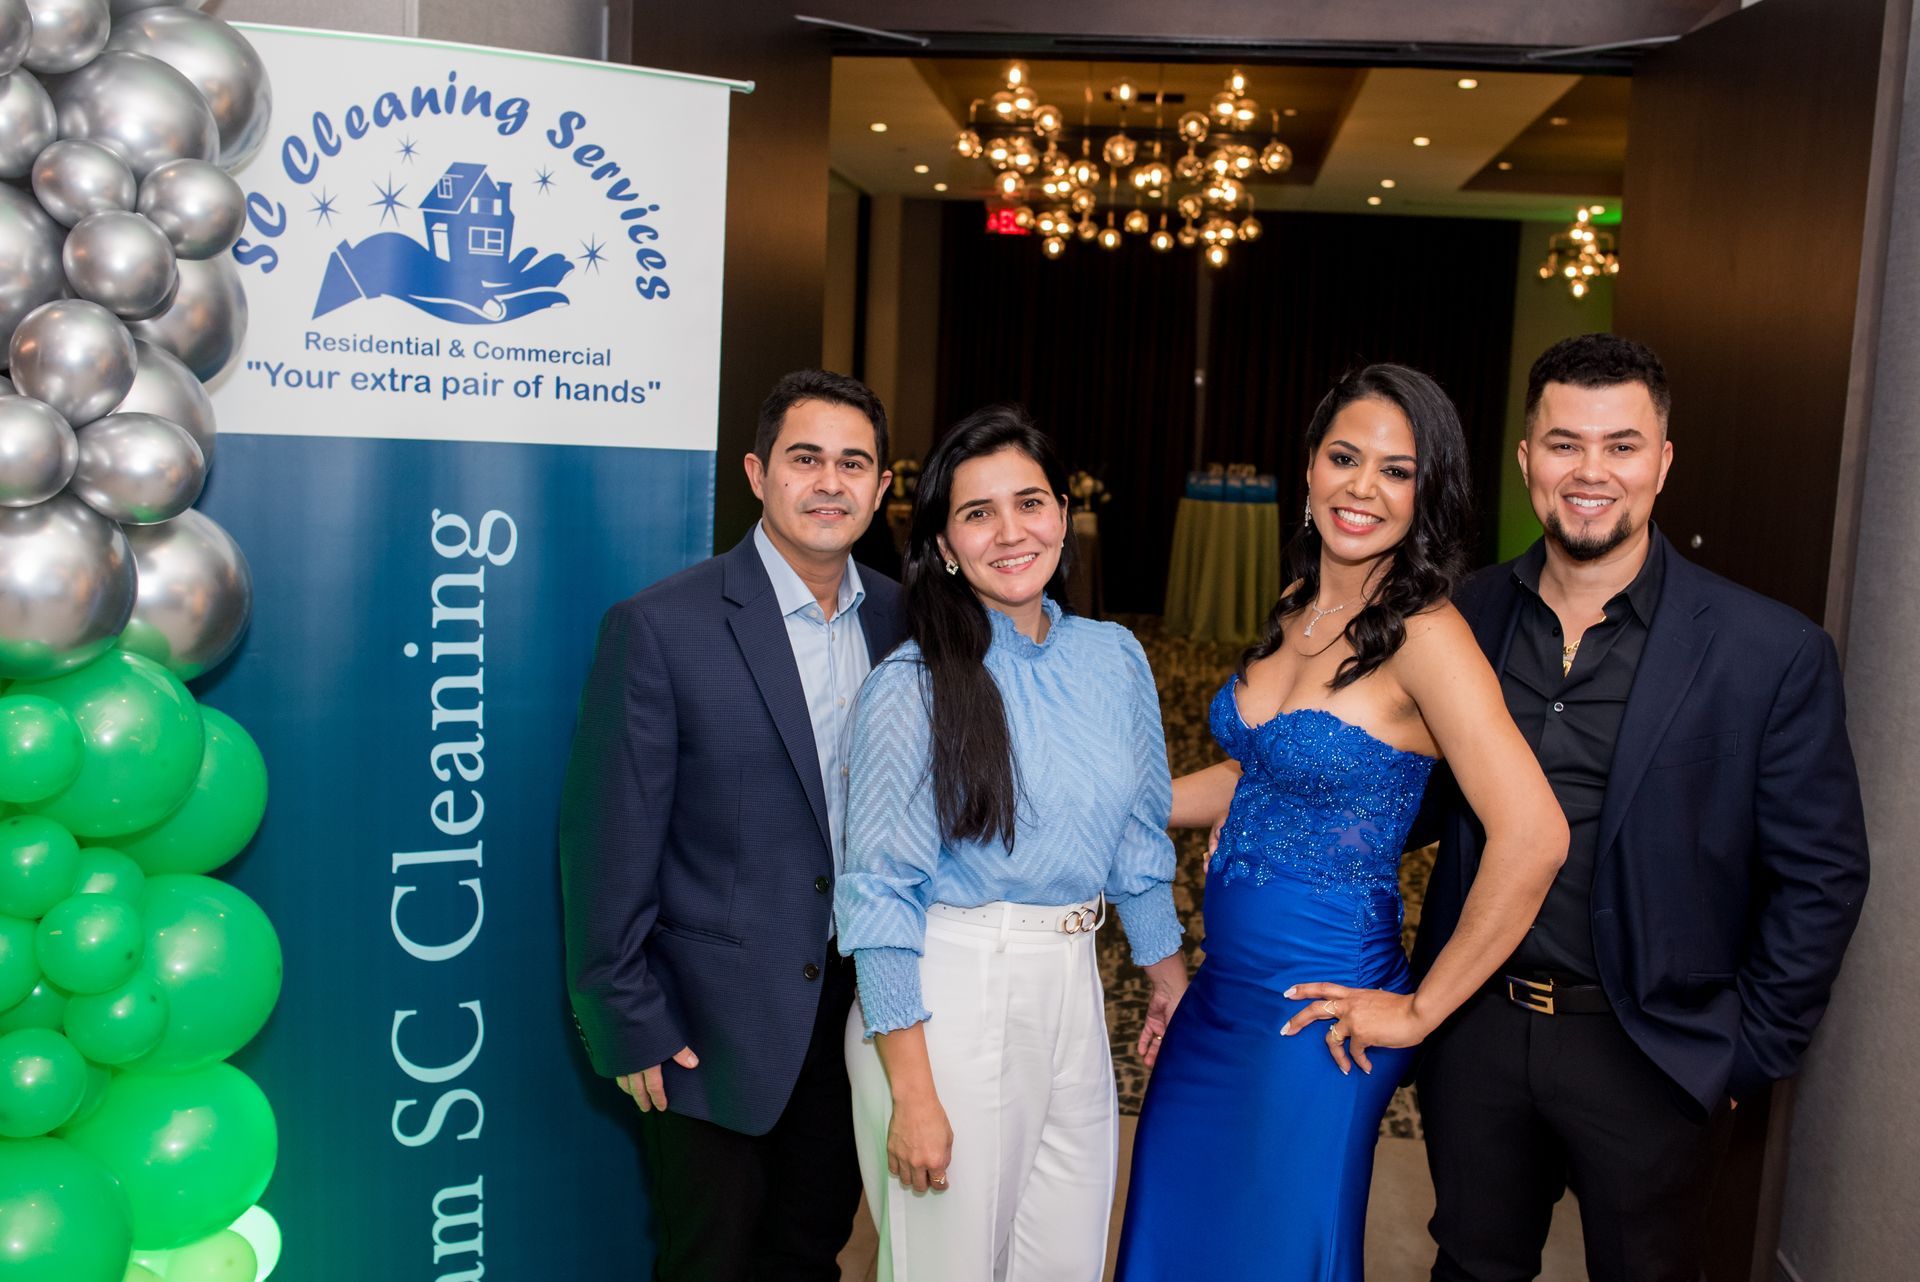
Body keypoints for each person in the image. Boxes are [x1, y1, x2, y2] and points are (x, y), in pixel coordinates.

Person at [1411, 334, 1870, 1282]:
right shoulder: (1458, 618)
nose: (1591, 471)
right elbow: (1402, 798)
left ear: (1662, 462)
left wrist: (1746, 1054)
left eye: (1621, 445)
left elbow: (1821, 875)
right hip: (1478, 1032)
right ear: (1528, 457)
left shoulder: (1768, 650)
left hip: (1654, 1052)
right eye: (1565, 443)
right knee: (1469, 1269)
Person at [1116, 364, 1568, 1281]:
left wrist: (1422, 1008)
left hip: (1322, 1022)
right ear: (1311, 468)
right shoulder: (1300, 606)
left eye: (1396, 471)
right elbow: (1262, 774)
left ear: (1426, 491)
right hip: (1219, 995)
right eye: (1345, 457)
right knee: (1174, 1234)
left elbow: (1534, 833)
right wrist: (1125, 805)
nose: (1363, 487)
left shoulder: (1426, 636)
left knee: (1276, 1250)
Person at [558, 369, 906, 1280]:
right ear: (757, 474)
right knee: (707, 1262)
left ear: (880, 486)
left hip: (855, 1013)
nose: (829, 482)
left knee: (810, 1253)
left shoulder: (906, 624)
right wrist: (628, 1017)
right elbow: (605, 840)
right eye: (805, 458)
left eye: (853, 463)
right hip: (708, 1026)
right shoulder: (662, 627)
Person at [834, 405, 1187, 1282]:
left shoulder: (1113, 656)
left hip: (1075, 982)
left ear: (1064, 515)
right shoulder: (912, 685)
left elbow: (1137, 837)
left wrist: (1166, 977)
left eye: (1029, 503)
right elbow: (876, 896)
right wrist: (912, 1093)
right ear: (945, 545)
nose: (1010, 533)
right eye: (977, 513)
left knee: (1065, 1262)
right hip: (946, 996)